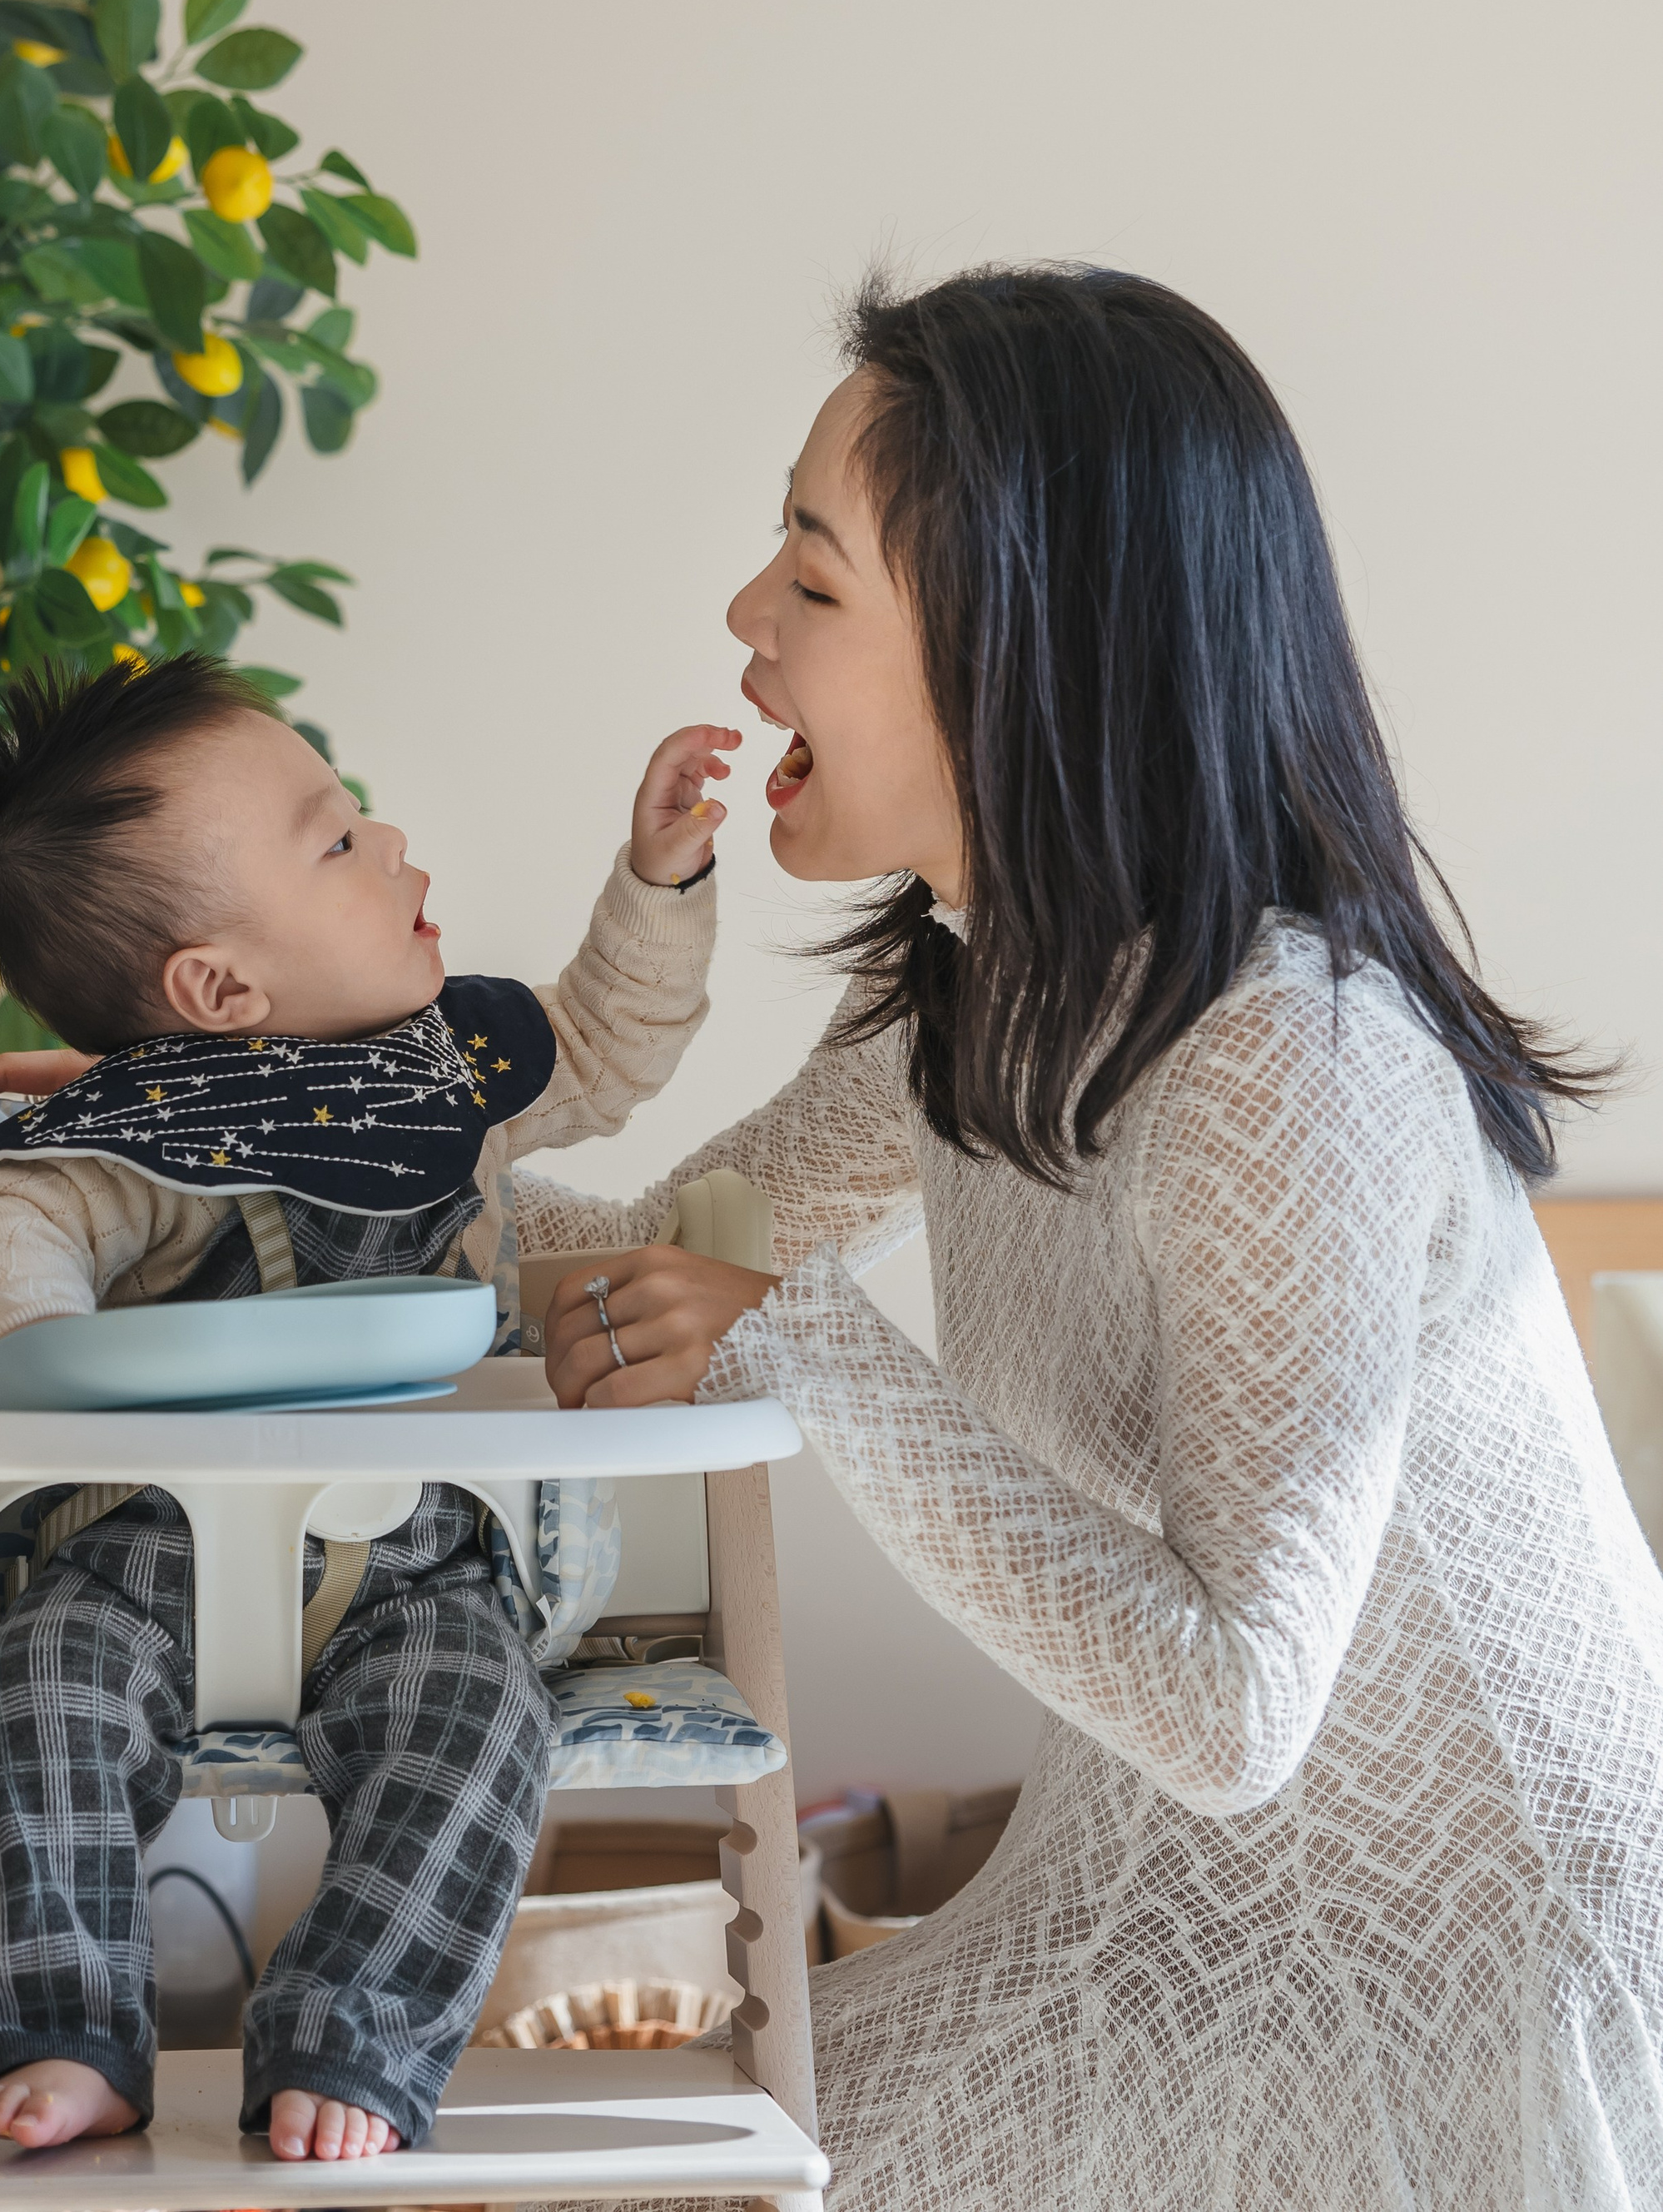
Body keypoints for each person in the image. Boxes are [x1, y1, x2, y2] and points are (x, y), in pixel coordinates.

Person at [525, 265, 1663, 2210]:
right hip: (1191, 1957)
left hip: (1473, 2003)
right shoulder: (981, 999)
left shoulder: (1276, 1057)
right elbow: (634, 1254)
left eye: (812, 576)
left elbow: (1232, 1711)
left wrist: (791, 1335)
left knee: (694, 2176)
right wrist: (233, 1112)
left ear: (1013, 642)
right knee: (652, 2163)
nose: (743, 618)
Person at [0, 652, 739, 2163]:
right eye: (337, 839)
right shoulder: (135, 1129)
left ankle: (358, 2029)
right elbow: (8, 1218)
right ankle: (69, 2020)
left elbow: (611, 1040)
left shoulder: (449, 1076)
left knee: (486, 1732)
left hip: (419, 1561)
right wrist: (30, 1336)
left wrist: (658, 878)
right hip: (150, 1546)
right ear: (221, 989)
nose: (392, 843)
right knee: (38, 1687)